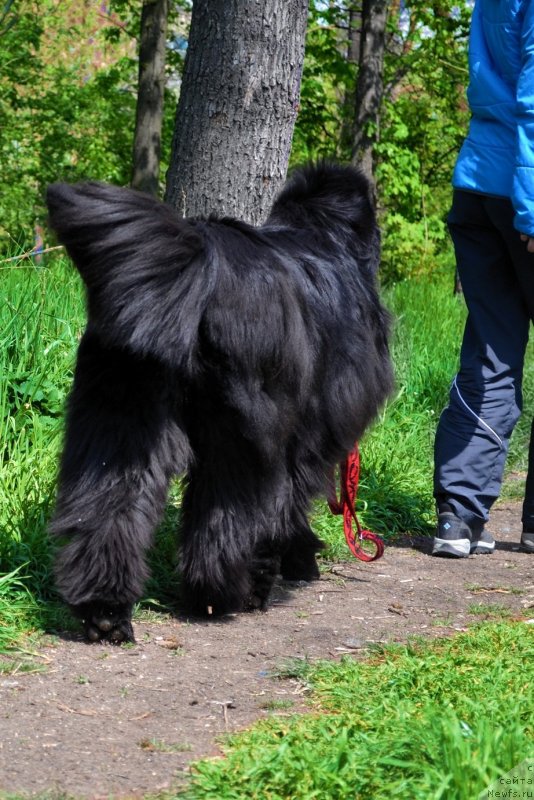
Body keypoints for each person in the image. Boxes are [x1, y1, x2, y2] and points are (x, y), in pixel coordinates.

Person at [432, 0, 534, 557]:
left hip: (478, 181)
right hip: (522, 192)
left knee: (491, 351)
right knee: (492, 351)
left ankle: (458, 518)